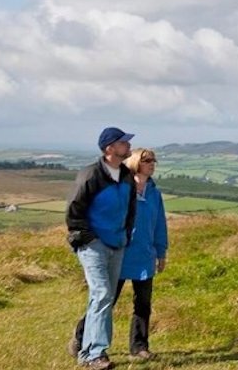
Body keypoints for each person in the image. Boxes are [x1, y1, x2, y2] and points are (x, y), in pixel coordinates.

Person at [72, 148, 169, 361]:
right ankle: (81, 337)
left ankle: (139, 347)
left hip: (145, 255)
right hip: (121, 253)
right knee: (107, 300)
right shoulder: (123, 188)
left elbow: (159, 224)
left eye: (154, 160)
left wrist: (161, 252)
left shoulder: (154, 192)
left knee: (143, 303)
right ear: (135, 162)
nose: (152, 164)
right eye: (147, 160)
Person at [66, 127, 137, 370]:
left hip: (117, 243)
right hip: (93, 244)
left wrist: (125, 235)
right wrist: (88, 239)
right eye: (123, 143)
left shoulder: (126, 174)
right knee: (103, 294)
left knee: (105, 297)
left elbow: (130, 209)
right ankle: (93, 354)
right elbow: (74, 212)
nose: (128, 146)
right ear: (110, 149)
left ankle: (89, 346)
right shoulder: (91, 175)